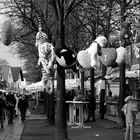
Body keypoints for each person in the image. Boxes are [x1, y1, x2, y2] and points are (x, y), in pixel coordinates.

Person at [35, 20, 55, 93]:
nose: (38, 40)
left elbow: (52, 49)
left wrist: (52, 59)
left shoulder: (46, 44)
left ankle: (51, 88)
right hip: (43, 61)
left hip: (47, 61)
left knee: (48, 70)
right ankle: (49, 89)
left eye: (39, 39)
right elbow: (37, 40)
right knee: (45, 80)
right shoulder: (39, 44)